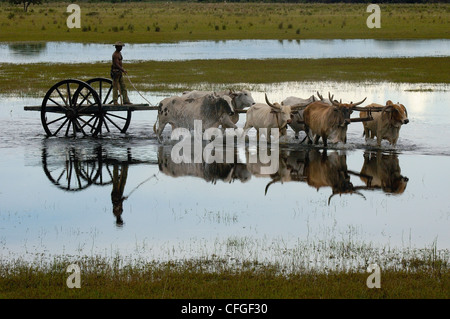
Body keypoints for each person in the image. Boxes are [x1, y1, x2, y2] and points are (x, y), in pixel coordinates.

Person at [111, 41, 131, 105]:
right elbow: (116, 64)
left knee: (123, 86)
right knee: (115, 87)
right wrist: (123, 70)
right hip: (115, 73)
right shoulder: (115, 55)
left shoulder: (119, 53)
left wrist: (121, 70)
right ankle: (115, 101)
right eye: (119, 47)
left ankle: (125, 100)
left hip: (119, 73)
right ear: (116, 47)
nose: (121, 48)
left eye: (121, 47)